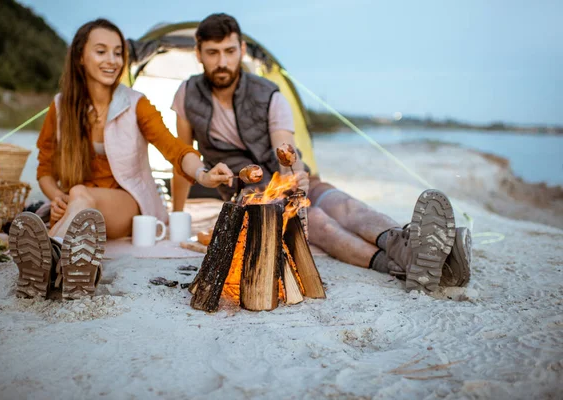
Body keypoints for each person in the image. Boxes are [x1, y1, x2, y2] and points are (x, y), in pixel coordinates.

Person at [170, 13, 471, 294]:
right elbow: (183, 156)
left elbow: (284, 147)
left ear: (242, 49)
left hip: (290, 178)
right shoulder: (187, 94)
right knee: (318, 221)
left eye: (229, 51)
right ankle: (421, 261)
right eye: (213, 52)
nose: (222, 61)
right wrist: (176, 215)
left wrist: (295, 178)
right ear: (198, 53)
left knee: (345, 206)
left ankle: (406, 245)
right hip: (253, 198)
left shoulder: (269, 93)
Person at [10, 19, 233, 300]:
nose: (112, 60)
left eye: (118, 52)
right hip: (79, 207)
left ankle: (51, 253)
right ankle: (64, 267)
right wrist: (57, 198)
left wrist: (202, 174)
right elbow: (44, 168)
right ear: (80, 57)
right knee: (77, 197)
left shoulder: (135, 103)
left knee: (78, 193)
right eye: (101, 51)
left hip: (129, 205)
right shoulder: (60, 106)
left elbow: (174, 148)